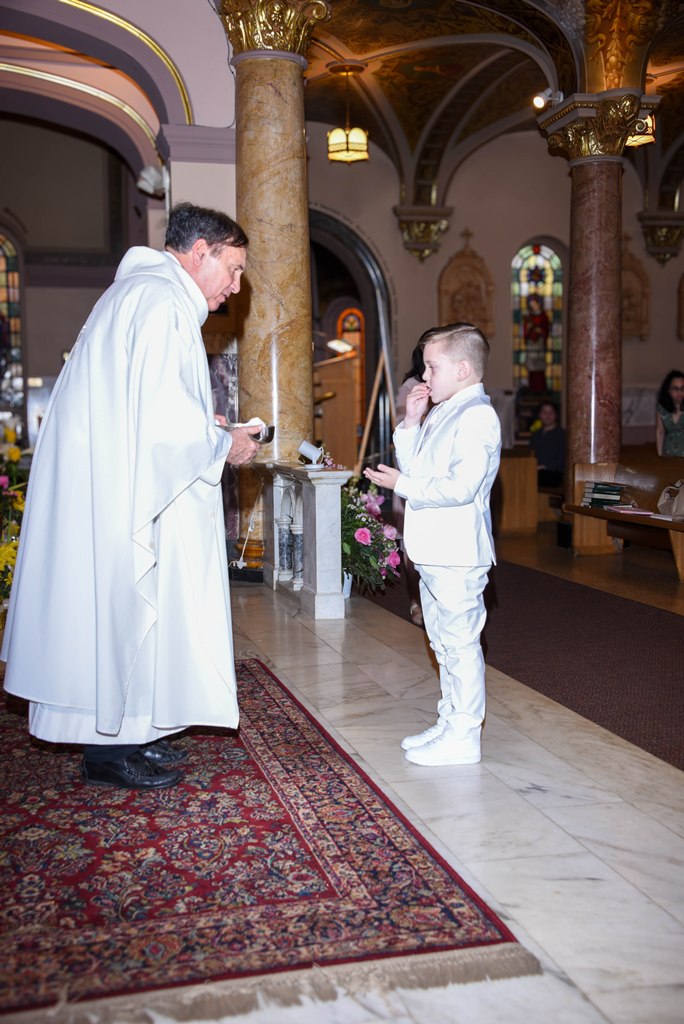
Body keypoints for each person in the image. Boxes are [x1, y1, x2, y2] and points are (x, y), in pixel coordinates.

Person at [1, 202, 262, 789]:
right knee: (125, 602)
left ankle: (130, 731)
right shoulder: (159, 301)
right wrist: (224, 443)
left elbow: (146, 408)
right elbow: (163, 422)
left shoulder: (144, 295)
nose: (235, 286)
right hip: (123, 487)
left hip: (119, 477)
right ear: (201, 252)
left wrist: (208, 429)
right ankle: (109, 750)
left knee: (128, 606)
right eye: (234, 269)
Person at [364, 322, 501, 767]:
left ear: (462, 369)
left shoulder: (477, 415)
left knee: (460, 644)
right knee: (442, 643)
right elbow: (420, 469)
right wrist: (410, 421)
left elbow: (461, 487)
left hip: (457, 551)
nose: (424, 376)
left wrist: (402, 484)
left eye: (432, 367)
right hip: (435, 549)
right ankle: (449, 721)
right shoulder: (446, 409)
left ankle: (465, 735)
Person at [393, 344, 426, 626]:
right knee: (411, 541)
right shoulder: (411, 386)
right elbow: (401, 427)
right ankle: (416, 599)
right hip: (411, 471)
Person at [529, 400, 565, 487]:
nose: (548, 415)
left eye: (551, 412)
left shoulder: (562, 435)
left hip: (555, 474)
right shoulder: (536, 435)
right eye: (544, 412)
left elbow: (562, 460)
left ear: (555, 415)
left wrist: (544, 466)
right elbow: (531, 455)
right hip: (537, 471)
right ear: (539, 415)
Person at [523, 293, 549, 393]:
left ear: (539, 304)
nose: (533, 306)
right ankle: (532, 388)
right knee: (531, 367)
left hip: (539, 344)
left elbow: (545, 330)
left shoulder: (543, 316)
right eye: (531, 304)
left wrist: (540, 331)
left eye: (535, 303)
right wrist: (529, 329)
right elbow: (526, 332)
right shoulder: (529, 317)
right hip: (531, 345)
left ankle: (541, 389)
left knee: (539, 367)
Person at [656, 369, 684, 456]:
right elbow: (660, 432)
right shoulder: (662, 408)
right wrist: (660, 455)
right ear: (668, 390)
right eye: (675, 389)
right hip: (668, 454)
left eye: (682, 388)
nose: (679, 392)